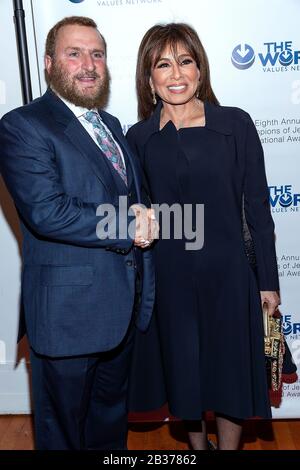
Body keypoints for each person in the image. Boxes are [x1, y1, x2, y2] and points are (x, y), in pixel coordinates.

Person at [0, 16, 158, 450]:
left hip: (119, 312)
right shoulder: (23, 126)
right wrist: (130, 224)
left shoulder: (110, 125)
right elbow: (48, 212)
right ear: (49, 63)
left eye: (97, 54)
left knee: (108, 430)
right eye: (75, 53)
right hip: (66, 318)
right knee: (63, 437)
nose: (88, 64)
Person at [127, 23, 280, 450]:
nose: (176, 73)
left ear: (200, 69)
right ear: (149, 78)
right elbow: (136, 207)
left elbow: (257, 208)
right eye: (163, 64)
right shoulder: (138, 138)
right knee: (185, 375)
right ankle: (198, 451)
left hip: (229, 273)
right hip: (170, 279)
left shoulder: (234, 124)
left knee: (229, 374)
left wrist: (268, 281)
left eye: (185, 61)